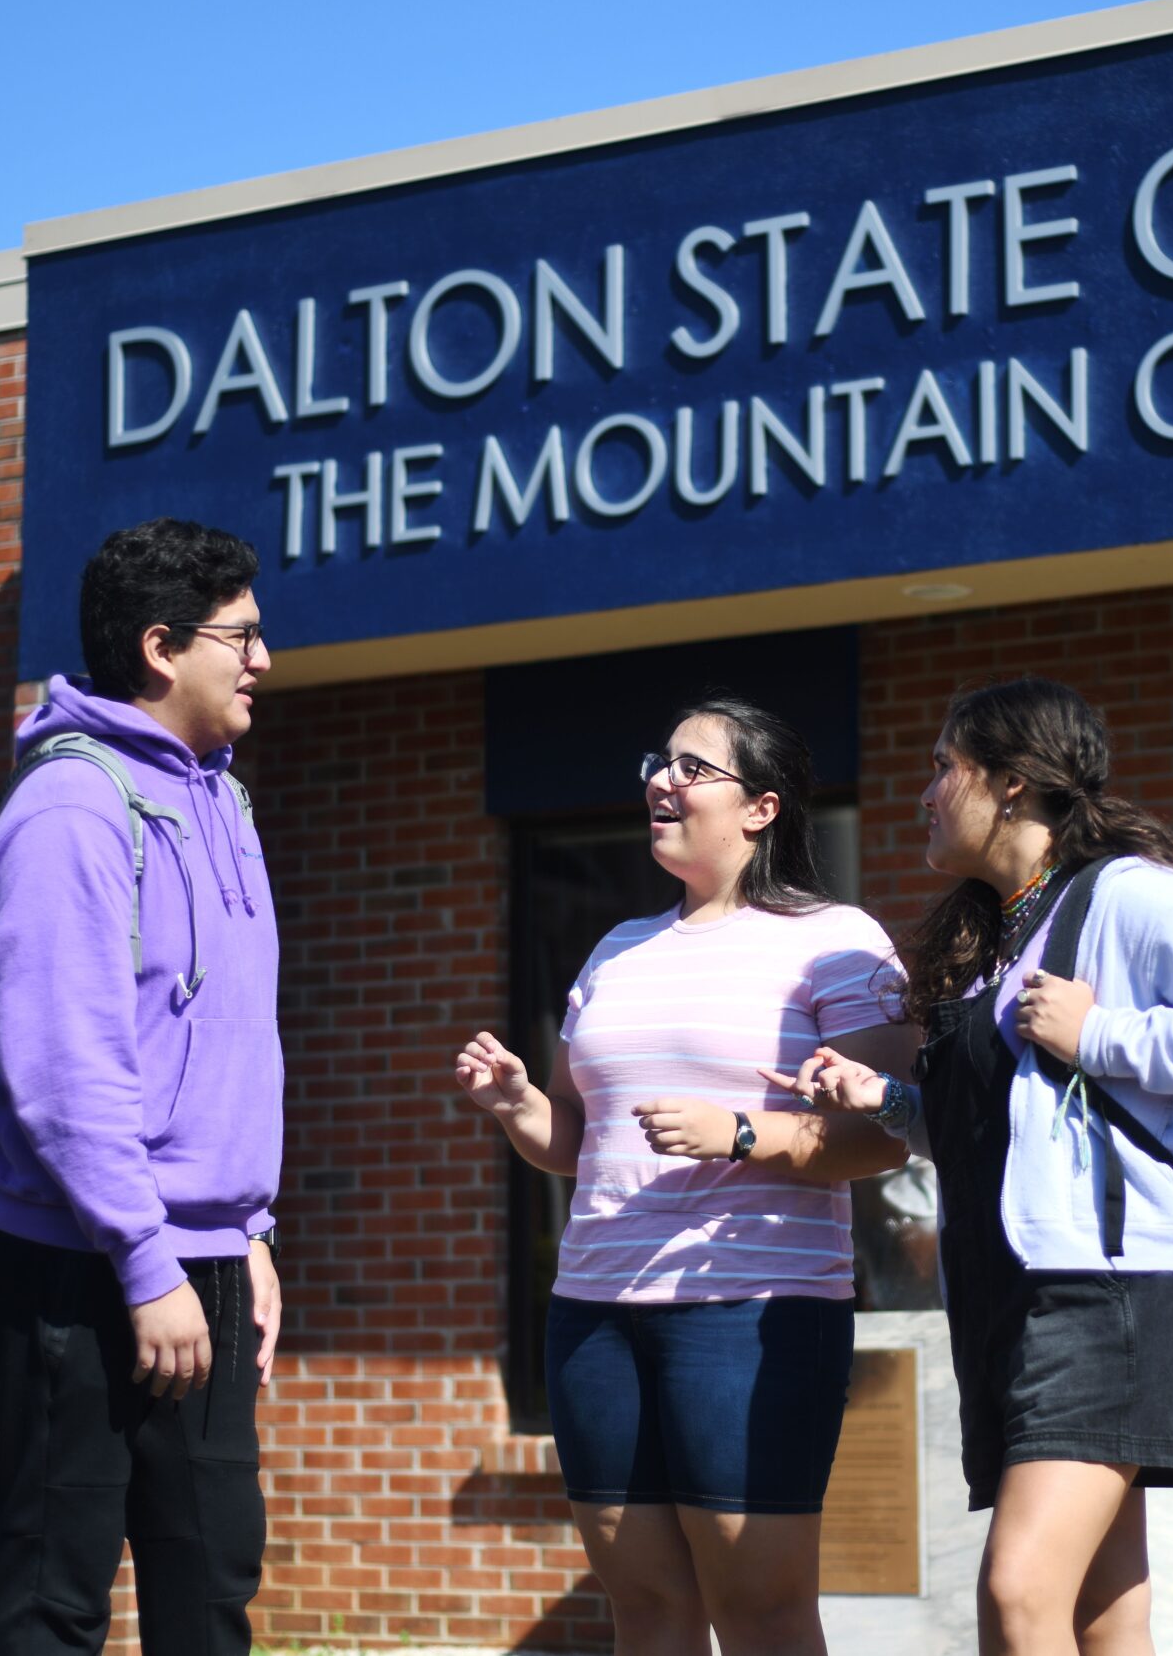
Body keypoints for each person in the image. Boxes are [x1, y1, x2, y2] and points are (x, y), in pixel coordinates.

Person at [784, 677, 1173, 1656]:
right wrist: (893, 1107)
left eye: (945, 767)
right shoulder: (1007, 936)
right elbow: (1017, 1137)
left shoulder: (1132, 897)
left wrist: (1102, 1032)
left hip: (1107, 1296)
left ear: (1015, 785)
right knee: (1102, 1614)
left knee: (1017, 1594)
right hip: (1014, 1300)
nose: (924, 792)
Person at [455, 697, 916, 1656]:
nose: (663, 781)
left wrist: (738, 1132)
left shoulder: (836, 939)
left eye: (693, 767)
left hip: (752, 1308)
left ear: (762, 807)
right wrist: (519, 1105)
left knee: (762, 1614)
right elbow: (584, 1146)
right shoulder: (617, 951)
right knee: (649, 1614)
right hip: (594, 1311)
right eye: (659, 763)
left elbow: (885, 1136)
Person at [0, 518, 283, 1655]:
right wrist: (146, 1264)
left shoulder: (224, 802)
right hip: (79, 1254)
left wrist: (245, 1235)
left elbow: (224, 1049)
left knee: (211, 1582)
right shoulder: (68, 810)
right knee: (57, 1592)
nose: (262, 659)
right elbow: (61, 1072)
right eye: (240, 636)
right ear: (161, 647)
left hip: (203, 1254)